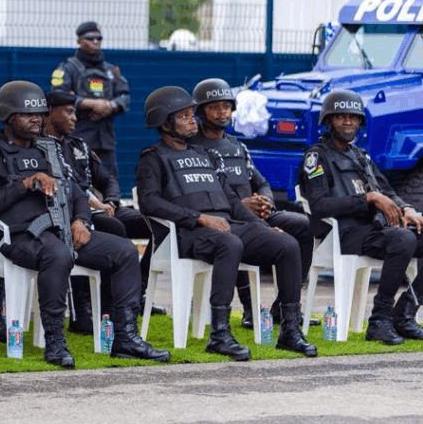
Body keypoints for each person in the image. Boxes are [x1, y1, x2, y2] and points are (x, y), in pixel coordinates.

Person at [0, 81, 169, 366]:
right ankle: (55, 341)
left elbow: (75, 193)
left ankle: (126, 338)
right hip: (17, 239)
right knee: (57, 254)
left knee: (123, 251)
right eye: (28, 114)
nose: (36, 119)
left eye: (39, 114)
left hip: (63, 232)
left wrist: (81, 221)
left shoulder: (49, 150)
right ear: (8, 117)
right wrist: (25, 184)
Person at [135, 86, 317, 360]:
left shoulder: (204, 155)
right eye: (183, 117)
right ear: (164, 123)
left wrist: (266, 229)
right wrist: (199, 217)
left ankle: (289, 330)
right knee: (230, 244)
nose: (191, 120)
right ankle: (219, 334)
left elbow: (232, 202)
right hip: (190, 233)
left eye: (190, 115)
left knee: (287, 244)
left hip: (227, 225)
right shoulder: (153, 158)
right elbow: (149, 203)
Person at [299, 90, 423, 345]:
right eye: (341, 117)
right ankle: (379, 319)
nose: (348, 122)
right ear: (329, 121)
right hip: (344, 234)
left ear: (360, 122)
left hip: (374, 231)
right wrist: (367, 199)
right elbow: (319, 206)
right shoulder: (316, 157)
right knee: (402, 240)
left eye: (353, 117)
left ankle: (405, 313)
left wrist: (407, 208)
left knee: (413, 235)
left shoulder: (361, 156)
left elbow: (387, 192)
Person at [189, 78, 314, 328]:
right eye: (214, 107)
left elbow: (261, 181)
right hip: (223, 218)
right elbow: (203, 192)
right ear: (201, 111)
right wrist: (242, 206)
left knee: (303, 225)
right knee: (238, 236)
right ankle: (249, 309)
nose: (222, 111)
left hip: (256, 214)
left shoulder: (237, 145)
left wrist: (265, 200)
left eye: (226, 106)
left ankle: (284, 305)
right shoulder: (193, 148)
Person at [42, 89, 154, 334]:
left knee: (155, 224)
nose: (74, 118)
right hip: (73, 213)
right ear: (50, 113)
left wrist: (112, 201)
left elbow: (107, 179)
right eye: (68, 112)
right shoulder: (40, 147)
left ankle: (138, 291)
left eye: (74, 111)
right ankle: (94, 308)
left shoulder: (79, 145)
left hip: (102, 209)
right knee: (113, 229)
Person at [50, 22, 129, 178]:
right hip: (78, 135)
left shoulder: (110, 70)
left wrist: (109, 106)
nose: (95, 41)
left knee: (108, 179)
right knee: (77, 178)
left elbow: (125, 96)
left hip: (105, 139)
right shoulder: (67, 68)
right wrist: (91, 104)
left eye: (99, 38)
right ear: (79, 41)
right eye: (90, 38)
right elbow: (57, 95)